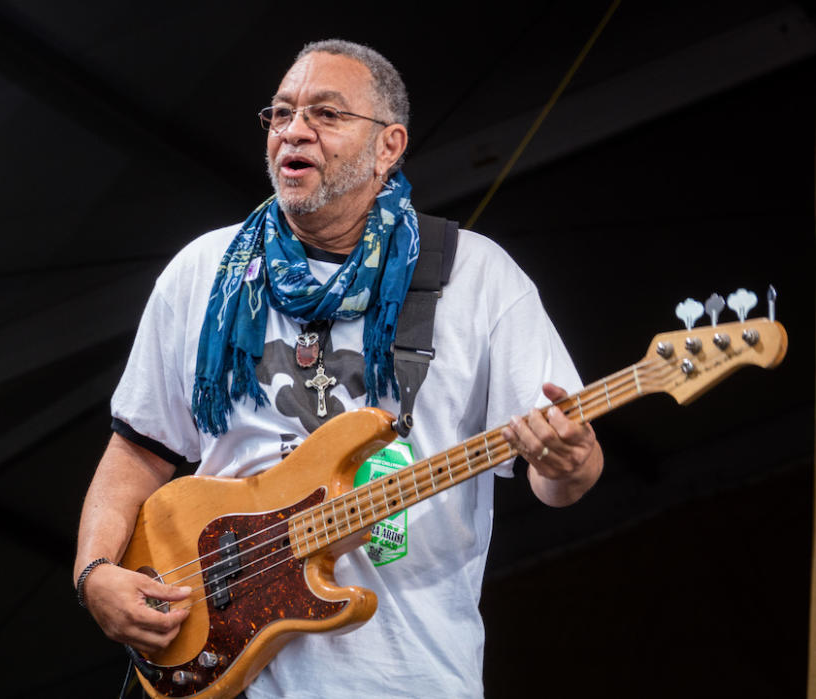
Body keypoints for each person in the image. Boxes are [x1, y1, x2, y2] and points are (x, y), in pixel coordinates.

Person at [74, 39, 604, 698]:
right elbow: (137, 450)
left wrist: (567, 462)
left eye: (326, 113)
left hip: (411, 676)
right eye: (282, 113)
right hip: (219, 669)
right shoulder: (204, 272)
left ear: (389, 146)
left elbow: (561, 478)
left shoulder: (476, 276)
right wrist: (94, 570)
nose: (294, 130)